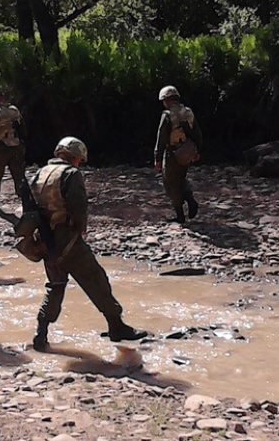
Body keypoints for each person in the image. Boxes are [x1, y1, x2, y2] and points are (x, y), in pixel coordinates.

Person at [28, 137, 148, 352]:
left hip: (44, 240)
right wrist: (81, 228)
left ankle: (40, 335)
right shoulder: (71, 174)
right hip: (67, 239)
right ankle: (116, 326)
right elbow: (78, 206)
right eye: (79, 160)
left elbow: (30, 207)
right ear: (74, 156)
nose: (79, 163)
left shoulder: (39, 173)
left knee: (55, 285)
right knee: (96, 279)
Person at [154, 85, 203, 223]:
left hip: (173, 153)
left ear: (167, 100)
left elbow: (161, 138)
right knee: (181, 178)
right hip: (187, 152)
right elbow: (197, 133)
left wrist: (157, 158)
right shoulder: (188, 112)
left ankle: (180, 215)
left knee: (170, 182)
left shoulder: (167, 115)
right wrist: (197, 151)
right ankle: (191, 201)